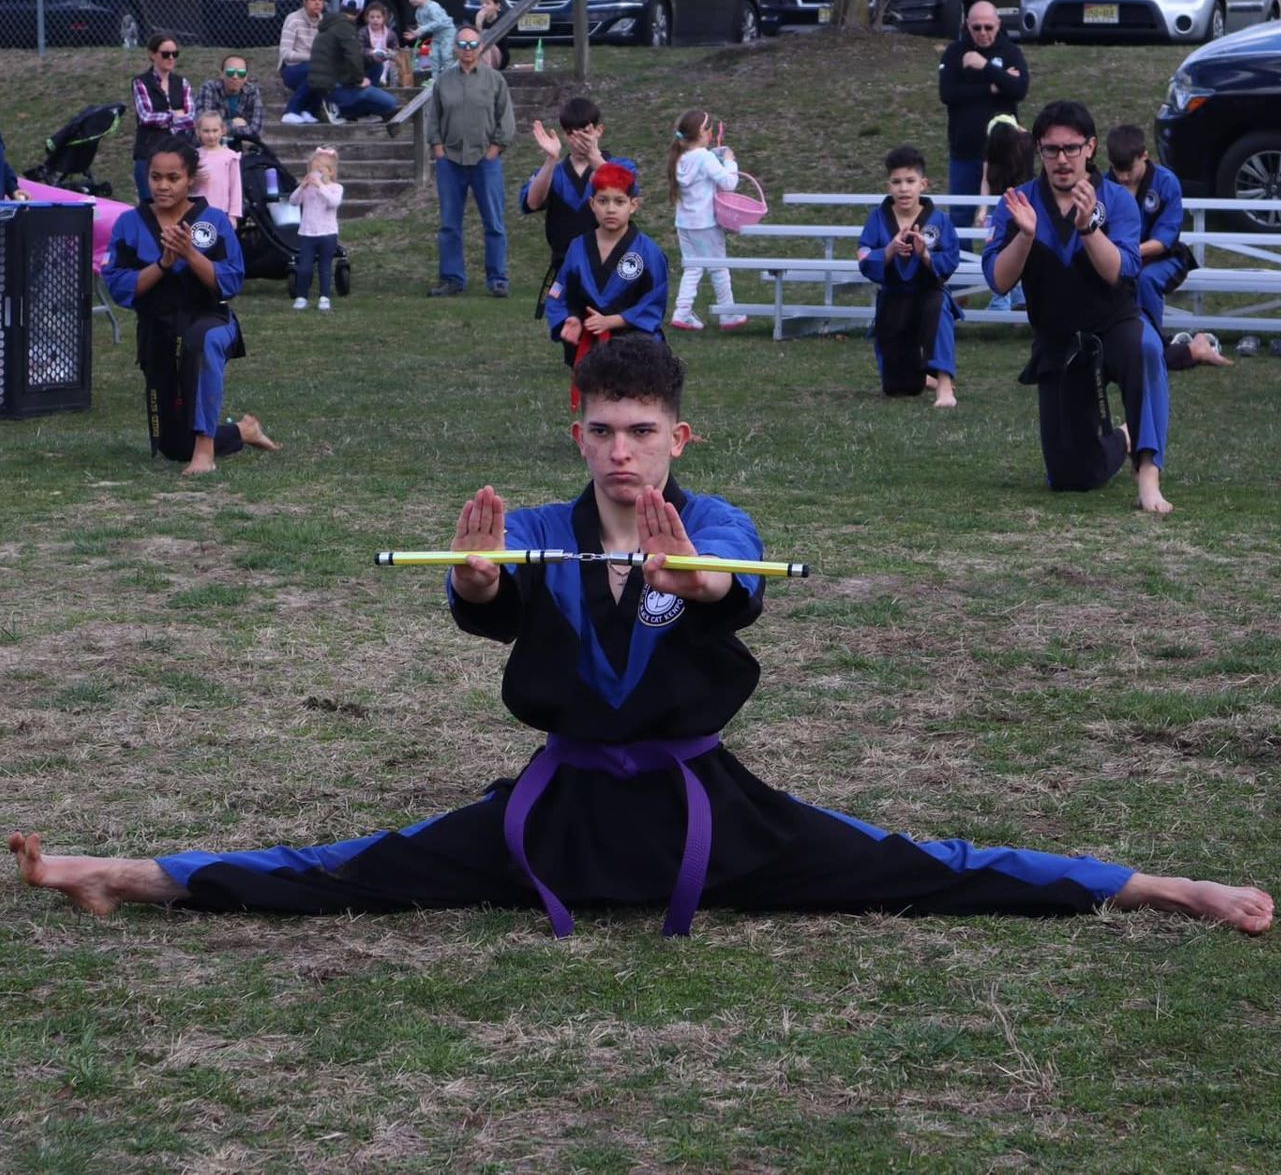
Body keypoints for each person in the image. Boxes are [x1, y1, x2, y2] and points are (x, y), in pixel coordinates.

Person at [7, 338, 1272, 938]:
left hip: (702, 815)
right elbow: (494, 618)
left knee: (915, 863)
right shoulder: (553, 527)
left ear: (678, 439)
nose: (622, 454)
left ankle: (1158, 886)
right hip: (553, 816)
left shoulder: (709, 522)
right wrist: (478, 586)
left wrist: (702, 582)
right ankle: (127, 873)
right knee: (349, 868)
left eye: (642, 433)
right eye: (603, 432)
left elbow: (735, 597)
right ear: (580, 438)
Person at [983, 100, 1173, 513]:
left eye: (1071, 148)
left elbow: (1120, 271)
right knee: (1070, 479)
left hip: (1114, 323)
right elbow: (999, 280)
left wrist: (1088, 228)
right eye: (1051, 149)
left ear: (1090, 147)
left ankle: (1148, 473)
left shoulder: (1117, 202)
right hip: (1060, 338)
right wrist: (1025, 236)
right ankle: (1123, 438)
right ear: (1038, 150)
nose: (1062, 159)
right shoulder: (1018, 204)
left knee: (1147, 349)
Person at [102, 138, 278, 476]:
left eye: (173, 178)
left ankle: (205, 453)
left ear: (190, 180)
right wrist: (164, 263)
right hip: (160, 331)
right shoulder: (130, 223)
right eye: (156, 177)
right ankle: (242, 431)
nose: (163, 186)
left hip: (210, 318)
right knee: (173, 447)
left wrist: (190, 255)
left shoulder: (213, 221)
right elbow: (121, 286)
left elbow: (230, 281)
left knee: (202, 340)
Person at [1105, 124, 1231, 371]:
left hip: (1166, 257)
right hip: (1120, 257)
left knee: (1145, 279)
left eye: (1128, 169)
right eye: (1116, 170)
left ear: (1144, 156)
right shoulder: (1106, 183)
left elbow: (1164, 240)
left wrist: (1126, 255)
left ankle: (1152, 343)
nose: (1122, 177)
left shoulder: (1165, 181)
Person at [545, 162, 667, 403]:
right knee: (596, 400)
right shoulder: (577, 247)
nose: (610, 209)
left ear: (633, 205)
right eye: (603, 201)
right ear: (592, 204)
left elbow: (654, 300)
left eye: (619, 201)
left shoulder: (648, 252)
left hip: (634, 342)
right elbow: (560, 291)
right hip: (588, 340)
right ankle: (595, 437)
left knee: (633, 402)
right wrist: (569, 319)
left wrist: (611, 321)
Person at [858, 146, 961, 408]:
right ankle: (923, 377)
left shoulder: (939, 220)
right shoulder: (877, 218)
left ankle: (945, 387)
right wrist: (890, 250)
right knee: (898, 388)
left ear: (923, 184)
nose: (904, 188)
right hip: (894, 298)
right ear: (888, 185)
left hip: (929, 294)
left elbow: (951, 258)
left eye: (910, 181)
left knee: (939, 309)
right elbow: (865, 257)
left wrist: (926, 255)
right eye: (897, 182)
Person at [426, 26, 516, 298]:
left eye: (473, 44)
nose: (467, 49)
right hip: (450, 161)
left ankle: (497, 279)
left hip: (485, 161)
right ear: (455, 47)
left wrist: (495, 149)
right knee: (449, 224)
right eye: (462, 44)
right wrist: (438, 148)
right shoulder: (444, 81)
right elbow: (434, 119)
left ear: (481, 47)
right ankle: (452, 279)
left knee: (494, 222)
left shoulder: (495, 80)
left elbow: (506, 118)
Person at [522, 97, 631, 318]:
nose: (578, 139)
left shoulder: (619, 167)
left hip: (609, 265)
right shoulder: (556, 172)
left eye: (585, 132)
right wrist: (550, 160)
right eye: (572, 133)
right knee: (571, 339)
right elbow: (532, 202)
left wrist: (594, 156)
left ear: (599, 131)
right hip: (566, 267)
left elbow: (622, 189)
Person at [937, 1, 1029, 233]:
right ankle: (960, 266)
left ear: (998, 24)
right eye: (976, 27)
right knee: (960, 215)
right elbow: (948, 94)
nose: (983, 33)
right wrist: (992, 87)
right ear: (967, 25)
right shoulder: (955, 52)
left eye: (988, 27)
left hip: (1004, 153)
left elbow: (1019, 89)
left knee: (1009, 214)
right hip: (965, 151)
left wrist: (985, 66)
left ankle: (1006, 265)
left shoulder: (1010, 52)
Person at [668, 108, 747, 332]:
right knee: (719, 268)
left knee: (692, 267)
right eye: (710, 130)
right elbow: (729, 183)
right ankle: (729, 314)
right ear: (703, 132)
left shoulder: (680, 157)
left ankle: (682, 312)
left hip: (684, 224)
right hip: (706, 224)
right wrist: (730, 162)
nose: (712, 135)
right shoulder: (704, 157)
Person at [307, 0, 398, 125]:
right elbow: (353, 57)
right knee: (390, 104)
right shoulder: (345, 27)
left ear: (342, 5)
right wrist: (359, 80)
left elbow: (348, 57)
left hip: (329, 81)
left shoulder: (332, 25)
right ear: (361, 11)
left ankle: (354, 111)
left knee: (376, 65)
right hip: (332, 87)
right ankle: (338, 107)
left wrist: (373, 58)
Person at [977, 115, 1034, 311]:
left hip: (1020, 205)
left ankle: (1016, 299)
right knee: (1000, 251)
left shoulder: (1024, 147)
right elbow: (985, 179)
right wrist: (983, 208)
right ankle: (1003, 300)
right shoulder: (994, 151)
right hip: (1000, 208)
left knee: (1016, 251)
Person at [131, 32, 194, 201]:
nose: (171, 58)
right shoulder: (140, 82)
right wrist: (174, 115)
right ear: (152, 55)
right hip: (148, 155)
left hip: (178, 155)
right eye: (166, 54)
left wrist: (164, 119)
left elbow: (191, 118)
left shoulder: (182, 83)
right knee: (149, 207)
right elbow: (145, 116)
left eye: (175, 54)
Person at [289, 146, 343, 313]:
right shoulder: (307, 189)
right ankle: (301, 296)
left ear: (331, 172)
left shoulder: (335, 188)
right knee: (304, 267)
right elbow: (293, 201)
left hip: (327, 234)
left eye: (320, 171)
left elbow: (333, 202)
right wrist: (302, 186)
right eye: (313, 170)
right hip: (308, 233)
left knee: (325, 267)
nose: (316, 174)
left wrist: (321, 186)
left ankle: (324, 296)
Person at [279, 0, 325, 125]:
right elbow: (286, 54)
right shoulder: (293, 20)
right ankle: (291, 111)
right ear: (304, 2)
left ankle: (309, 111)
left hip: (316, 66)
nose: (317, 3)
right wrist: (312, 57)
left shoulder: (325, 23)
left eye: (320, 0)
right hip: (291, 69)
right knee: (316, 69)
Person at [190, 111, 243, 230]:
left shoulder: (230, 157)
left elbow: (235, 188)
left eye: (215, 130)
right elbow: (186, 185)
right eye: (206, 131)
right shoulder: (194, 156)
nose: (211, 135)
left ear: (222, 130)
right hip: (197, 211)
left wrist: (233, 215)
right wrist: (194, 179)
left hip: (221, 211)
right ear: (198, 131)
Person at [194, 54, 264, 143]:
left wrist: (221, 128)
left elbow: (256, 130)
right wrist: (233, 124)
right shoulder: (209, 89)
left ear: (246, 77)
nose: (235, 77)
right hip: (209, 145)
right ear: (222, 74)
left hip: (239, 146)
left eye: (241, 73)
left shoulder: (252, 91)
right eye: (230, 72)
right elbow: (203, 127)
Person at [403, 0, 456, 83]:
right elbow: (423, 28)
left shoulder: (432, 7)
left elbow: (439, 22)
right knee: (433, 56)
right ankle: (435, 79)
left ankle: (449, 79)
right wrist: (416, 34)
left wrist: (422, 29)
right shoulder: (418, 12)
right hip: (436, 34)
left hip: (447, 32)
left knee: (446, 55)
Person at [358, 0, 401, 87]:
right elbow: (359, 49)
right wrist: (370, 52)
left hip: (387, 63)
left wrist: (390, 52)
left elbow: (396, 50)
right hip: (370, 65)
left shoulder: (390, 34)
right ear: (367, 18)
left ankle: (385, 79)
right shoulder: (363, 32)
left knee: (392, 65)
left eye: (378, 17)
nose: (375, 20)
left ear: (383, 18)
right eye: (372, 17)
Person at [476, 0, 510, 71]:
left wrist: (479, 27)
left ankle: (486, 73)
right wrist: (478, 24)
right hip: (482, 56)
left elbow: (486, 41)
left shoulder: (502, 20)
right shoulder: (480, 19)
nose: (483, 6)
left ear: (497, 6)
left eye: (487, 3)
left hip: (499, 57)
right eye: (482, 3)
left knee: (484, 40)